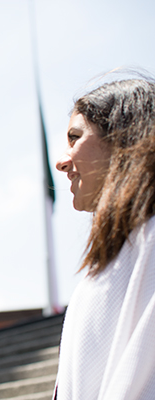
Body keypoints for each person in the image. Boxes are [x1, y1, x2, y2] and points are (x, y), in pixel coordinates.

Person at [54, 78, 155, 399]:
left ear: (124, 138)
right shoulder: (111, 260)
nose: (62, 161)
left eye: (75, 138)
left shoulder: (149, 243)